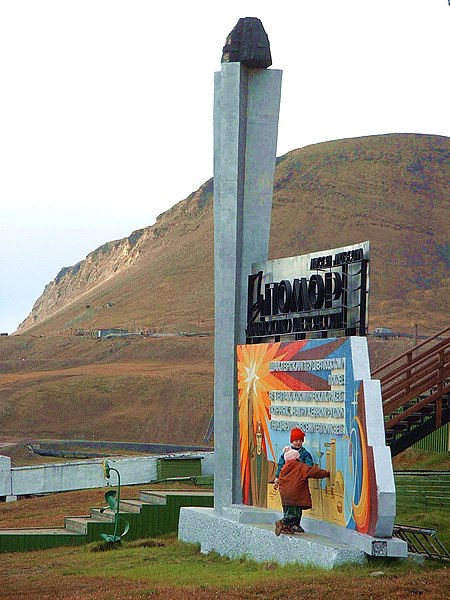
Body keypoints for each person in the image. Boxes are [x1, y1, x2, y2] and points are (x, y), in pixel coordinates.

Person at [275, 446, 330, 535]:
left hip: (285, 495)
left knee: (288, 511)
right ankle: (282, 522)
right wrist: (326, 473)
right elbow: (313, 472)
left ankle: (286, 528)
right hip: (295, 495)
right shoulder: (300, 467)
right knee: (295, 516)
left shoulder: (284, 468)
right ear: (297, 458)